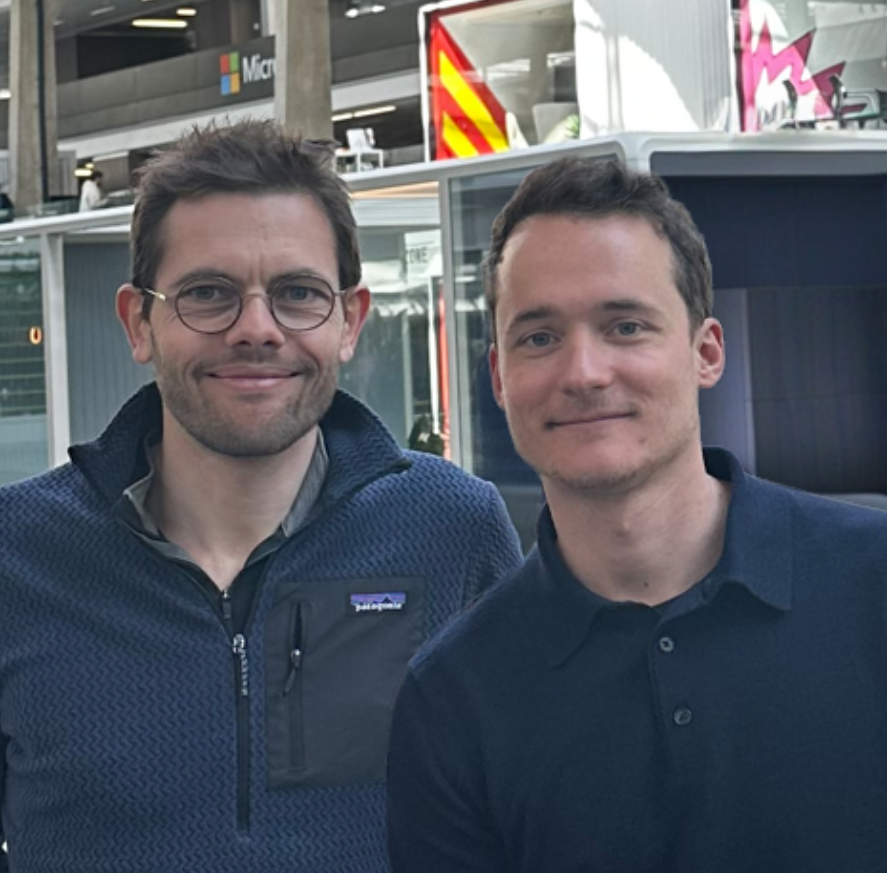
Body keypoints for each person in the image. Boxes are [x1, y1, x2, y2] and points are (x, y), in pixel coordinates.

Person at [0, 119, 522, 873]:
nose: (256, 329)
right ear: (139, 322)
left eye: (297, 293)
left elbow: (522, 822)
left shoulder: (452, 531)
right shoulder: (17, 557)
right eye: (207, 294)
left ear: (350, 321)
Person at [386, 157, 887, 873]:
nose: (584, 372)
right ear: (498, 377)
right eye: (538, 337)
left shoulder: (872, 585)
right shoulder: (453, 695)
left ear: (705, 351)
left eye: (625, 326)